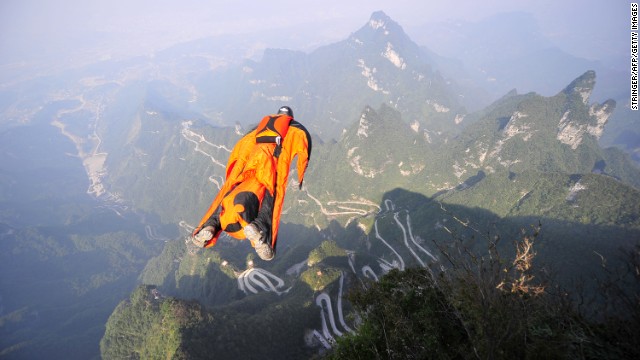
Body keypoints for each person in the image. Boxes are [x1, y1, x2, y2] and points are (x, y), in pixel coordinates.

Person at [191, 106, 312, 261]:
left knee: (228, 196)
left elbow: (240, 149)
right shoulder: (293, 129)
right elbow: (304, 150)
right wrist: (301, 175)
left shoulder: (259, 128)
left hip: (248, 168)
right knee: (270, 201)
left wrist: (234, 173)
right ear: (289, 117)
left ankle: (210, 226)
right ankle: (260, 229)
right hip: (268, 168)